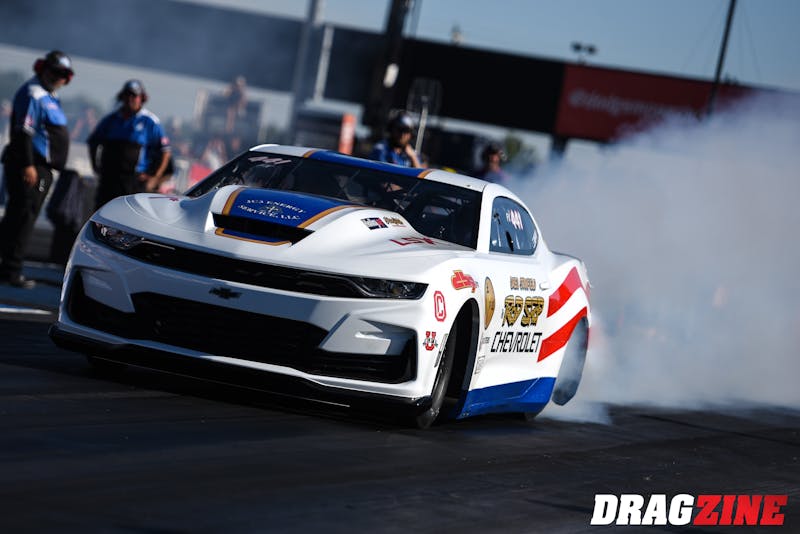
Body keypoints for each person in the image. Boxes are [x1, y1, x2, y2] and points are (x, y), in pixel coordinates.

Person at [0, 50, 74, 288]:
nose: (58, 77)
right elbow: (24, 132)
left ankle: (7, 266)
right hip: (32, 166)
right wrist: (28, 165)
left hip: (42, 168)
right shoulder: (34, 93)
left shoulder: (50, 96)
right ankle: (11, 270)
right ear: (43, 69)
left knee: (20, 216)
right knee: (23, 218)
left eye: (63, 73)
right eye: (54, 71)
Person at [87, 79, 171, 210]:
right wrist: (95, 165)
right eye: (127, 95)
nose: (130, 99)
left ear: (141, 98)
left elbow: (165, 152)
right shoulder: (111, 120)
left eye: (134, 95)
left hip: (134, 181)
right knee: (101, 212)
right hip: (109, 179)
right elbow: (93, 141)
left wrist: (154, 176)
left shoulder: (150, 121)